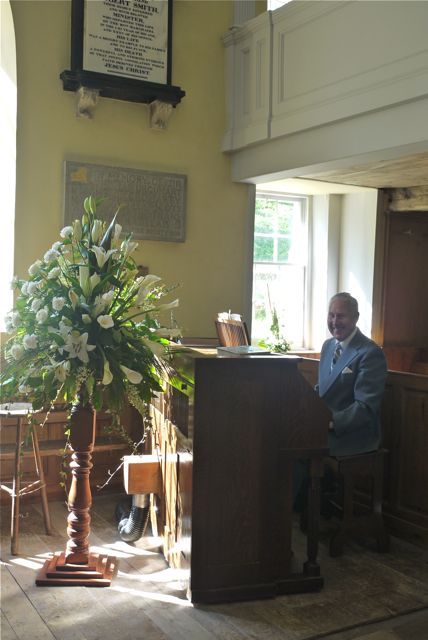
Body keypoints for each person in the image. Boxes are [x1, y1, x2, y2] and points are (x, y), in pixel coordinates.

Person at [317, 292, 387, 457]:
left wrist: (329, 422)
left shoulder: (370, 353)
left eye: (341, 316)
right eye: (331, 315)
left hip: (352, 436)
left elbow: (365, 408)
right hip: (322, 427)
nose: (334, 322)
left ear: (355, 318)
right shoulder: (327, 346)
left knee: (298, 451)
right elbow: (321, 389)